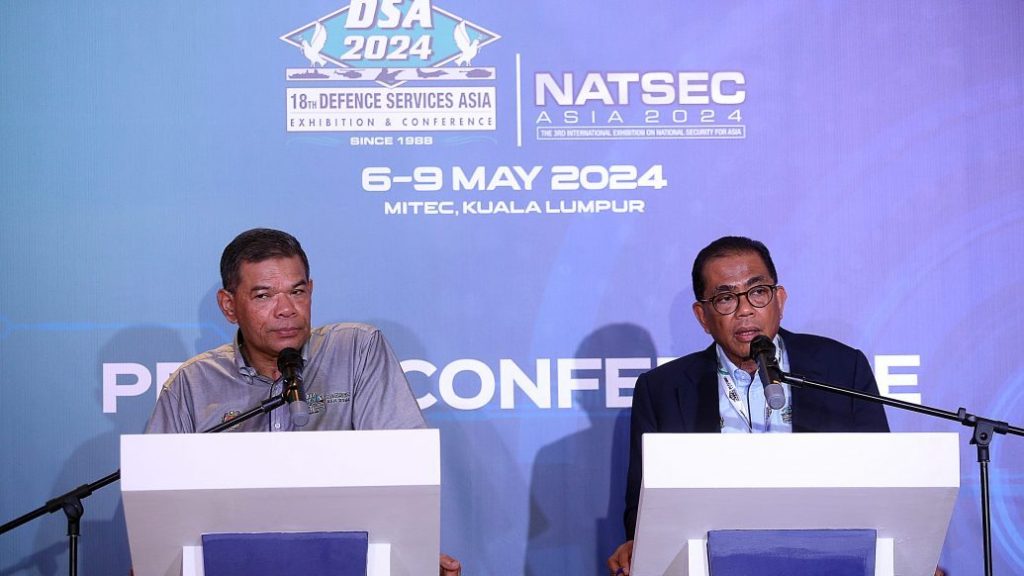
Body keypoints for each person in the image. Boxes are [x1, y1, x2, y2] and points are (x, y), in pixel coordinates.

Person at [145, 228, 461, 576]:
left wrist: (412, 556)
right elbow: (159, 501)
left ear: (310, 291)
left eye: (297, 292)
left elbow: (403, 467)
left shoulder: (356, 351)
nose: (286, 310)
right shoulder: (192, 384)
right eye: (264, 296)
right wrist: (158, 563)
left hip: (345, 561)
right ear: (229, 306)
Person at [606, 236, 890, 576]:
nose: (745, 310)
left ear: (779, 300)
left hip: (828, 560)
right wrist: (639, 544)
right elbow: (643, 509)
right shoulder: (662, 389)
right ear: (702, 316)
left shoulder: (841, 368)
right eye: (725, 298)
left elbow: (884, 481)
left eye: (758, 292)